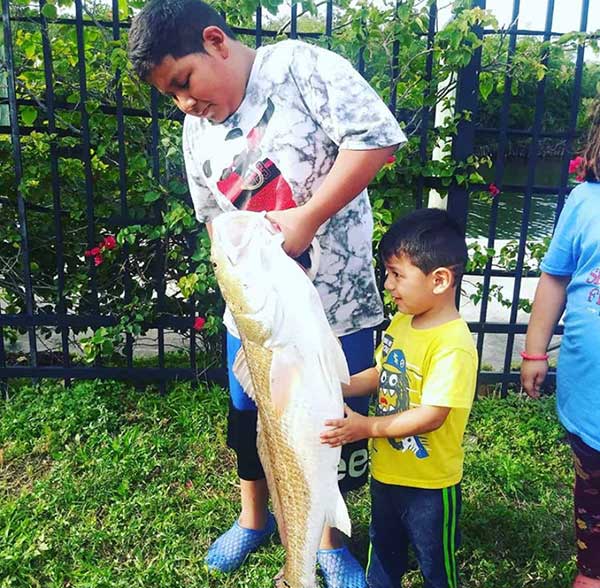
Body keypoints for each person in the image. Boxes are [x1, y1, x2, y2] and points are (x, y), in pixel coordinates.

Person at [127, 2, 406, 586]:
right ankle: (254, 520)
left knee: (329, 425)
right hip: (254, 322)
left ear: (215, 41)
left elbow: (377, 141)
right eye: (171, 95)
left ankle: (326, 539)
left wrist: (306, 217)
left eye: (184, 81)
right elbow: (213, 219)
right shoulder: (194, 128)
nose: (184, 102)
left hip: (337, 307)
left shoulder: (301, 67)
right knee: (249, 422)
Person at [321, 208, 477, 588]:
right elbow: (382, 373)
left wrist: (367, 427)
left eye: (397, 275)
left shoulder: (452, 344)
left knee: (435, 561)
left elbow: (432, 415)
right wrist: (338, 385)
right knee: (383, 548)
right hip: (388, 473)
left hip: (430, 486)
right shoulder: (402, 322)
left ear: (439, 280)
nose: (388, 285)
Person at [521, 105, 600, 588]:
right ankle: (590, 571)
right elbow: (554, 280)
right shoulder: (584, 203)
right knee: (591, 491)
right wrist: (533, 351)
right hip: (590, 399)